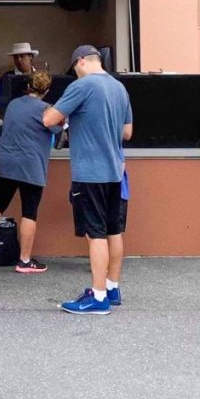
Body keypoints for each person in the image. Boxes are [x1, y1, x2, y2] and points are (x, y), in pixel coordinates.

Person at [46, 45, 133, 315]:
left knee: (95, 235)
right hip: (116, 172)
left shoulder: (81, 87)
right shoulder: (119, 88)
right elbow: (127, 132)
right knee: (113, 231)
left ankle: (97, 298)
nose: (75, 73)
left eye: (75, 69)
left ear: (81, 62)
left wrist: (68, 122)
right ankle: (111, 287)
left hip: (90, 173)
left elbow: (49, 118)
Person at [0, 70, 59, 273]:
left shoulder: (14, 104)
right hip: (31, 165)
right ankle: (25, 260)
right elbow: (60, 132)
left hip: (7, 162)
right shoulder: (47, 110)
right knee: (29, 211)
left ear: (28, 86)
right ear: (47, 90)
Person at [0, 42, 40, 117]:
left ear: (31, 57)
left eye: (22, 56)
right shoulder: (7, 77)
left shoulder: (39, 77)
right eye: (16, 57)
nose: (19, 60)